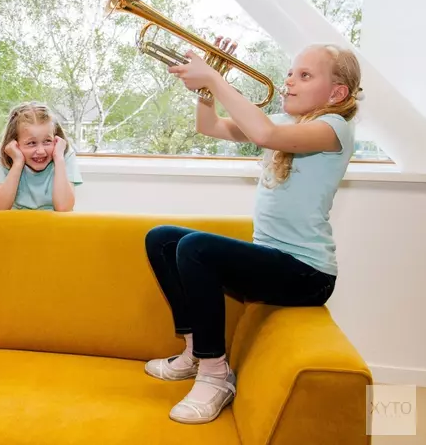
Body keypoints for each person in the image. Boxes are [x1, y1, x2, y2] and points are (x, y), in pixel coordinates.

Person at [144, 38, 362, 424]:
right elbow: (208, 126)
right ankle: (195, 352)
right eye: (291, 73)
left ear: (336, 92)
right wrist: (207, 92)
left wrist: (214, 76)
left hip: (306, 272)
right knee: (162, 239)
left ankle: (216, 375)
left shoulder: (334, 129)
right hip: (271, 259)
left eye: (304, 75)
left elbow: (264, 136)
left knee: (195, 248)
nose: (289, 81)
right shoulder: (285, 123)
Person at [0, 101, 83, 211]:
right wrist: (18, 162)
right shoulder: (9, 157)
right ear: (15, 144)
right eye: (31, 143)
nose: (41, 151)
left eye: (47, 141)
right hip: (19, 224)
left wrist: (59, 159)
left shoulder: (63, 155)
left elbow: (64, 208)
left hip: (55, 225)